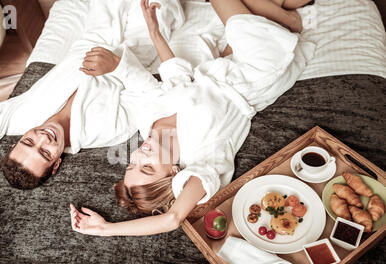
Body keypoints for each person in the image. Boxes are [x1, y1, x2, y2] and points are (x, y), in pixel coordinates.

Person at [0, 0, 186, 235]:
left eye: (28, 142)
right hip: (140, 33)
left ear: (18, 139)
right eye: (45, 153)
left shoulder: (20, 116)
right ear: (56, 164)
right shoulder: (104, 130)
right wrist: (116, 66)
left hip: (102, 16)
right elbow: (149, 95)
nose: (43, 138)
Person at [69, 0, 316, 236]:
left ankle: (285, 15)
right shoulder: (204, 157)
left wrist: (154, 32)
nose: (139, 154)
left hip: (227, 60)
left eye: (132, 164)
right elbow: (172, 219)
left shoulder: (149, 125)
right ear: (174, 173)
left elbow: (175, 79)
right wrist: (105, 229)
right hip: (258, 70)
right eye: (148, 167)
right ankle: (289, 20)